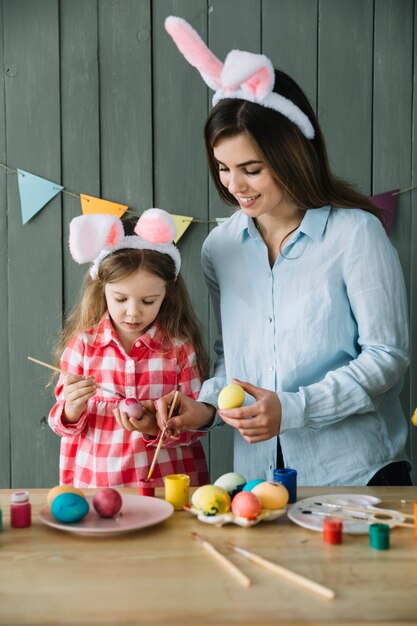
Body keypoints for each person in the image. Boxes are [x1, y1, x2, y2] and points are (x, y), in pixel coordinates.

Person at [156, 16, 412, 486]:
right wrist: (207, 406)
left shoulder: (356, 235)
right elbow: (234, 357)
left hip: (356, 475)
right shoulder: (221, 248)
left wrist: (293, 409)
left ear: (291, 154)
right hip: (259, 482)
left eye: (251, 168)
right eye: (223, 168)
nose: (235, 187)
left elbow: (387, 356)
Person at [48, 208, 209, 487]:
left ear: (167, 295)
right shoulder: (83, 347)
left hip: (166, 487)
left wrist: (156, 427)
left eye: (148, 301)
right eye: (120, 299)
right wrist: (71, 408)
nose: (132, 313)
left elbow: (195, 428)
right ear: (102, 290)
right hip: (96, 486)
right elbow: (61, 425)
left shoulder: (179, 350)